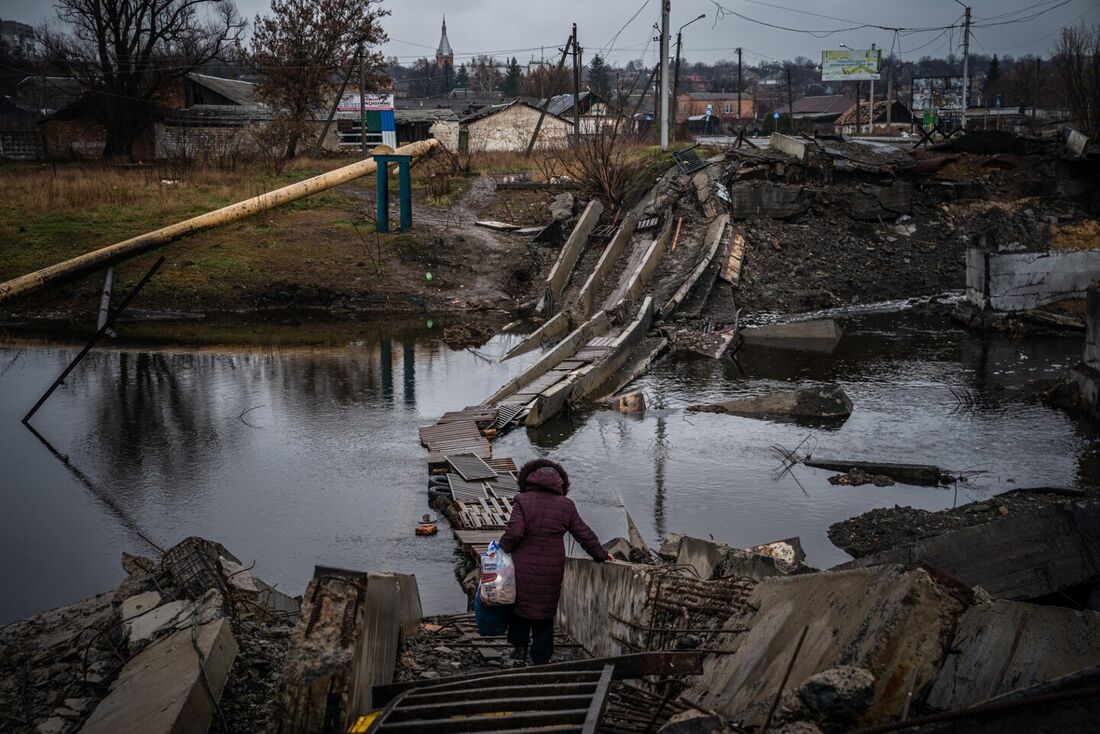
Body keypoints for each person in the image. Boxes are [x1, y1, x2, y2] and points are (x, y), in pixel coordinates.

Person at [498, 458, 611, 665]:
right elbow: (583, 533)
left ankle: (520, 649)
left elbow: (514, 532)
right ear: (561, 484)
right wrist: (600, 554)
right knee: (545, 609)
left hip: (523, 565)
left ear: (529, 480)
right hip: (552, 567)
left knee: (519, 606)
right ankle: (541, 657)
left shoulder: (522, 500)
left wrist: (499, 550)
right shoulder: (566, 506)